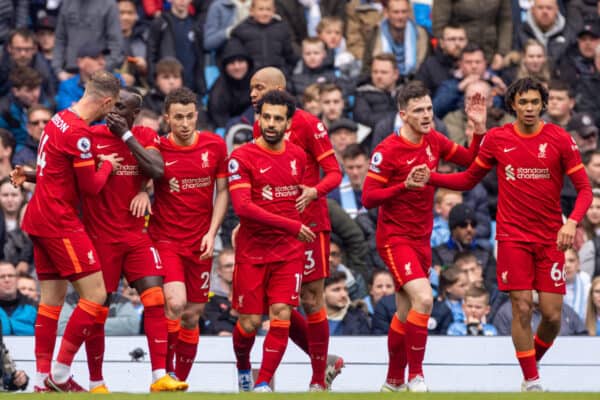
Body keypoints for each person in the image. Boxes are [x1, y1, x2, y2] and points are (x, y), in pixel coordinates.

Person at [412, 77, 593, 391]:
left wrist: (572, 222)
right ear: (513, 105)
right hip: (512, 237)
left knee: (551, 316)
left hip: (551, 237)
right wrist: (432, 177)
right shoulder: (498, 139)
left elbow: (585, 191)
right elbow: (469, 178)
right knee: (521, 306)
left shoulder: (559, 139)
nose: (529, 108)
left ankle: (530, 361)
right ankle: (531, 380)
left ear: (543, 105)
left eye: (535, 102)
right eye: (523, 102)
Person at [361, 80, 487, 392]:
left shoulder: (434, 140)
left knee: (405, 313)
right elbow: (368, 198)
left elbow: (471, 160)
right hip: (394, 238)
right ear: (403, 114)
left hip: (422, 238)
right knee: (424, 298)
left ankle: (392, 382)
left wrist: (479, 129)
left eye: (429, 108)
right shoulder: (387, 150)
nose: (427, 115)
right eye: (419, 110)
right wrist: (403, 186)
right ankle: (416, 377)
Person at [15, 71, 123, 392]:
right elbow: (90, 188)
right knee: (96, 295)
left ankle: (40, 380)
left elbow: (57, 172)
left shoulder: (59, 119)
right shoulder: (80, 134)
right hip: (58, 222)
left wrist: (92, 159)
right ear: (106, 101)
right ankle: (60, 373)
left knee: (51, 301)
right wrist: (107, 166)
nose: (111, 112)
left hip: (37, 216)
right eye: (112, 106)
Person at [82, 87, 187, 392]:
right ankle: (96, 381)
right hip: (102, 237)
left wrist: (128, 139)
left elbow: (157, 169)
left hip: (135, 235)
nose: (113, 112)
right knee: (99, 308)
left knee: (155, 298)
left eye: (121, 108)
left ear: (134, 114)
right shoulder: (91, 137)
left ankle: (159, 376)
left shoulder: (145, 135)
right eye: (111, 106)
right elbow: (69, 177)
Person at [248, 67, 344, 390]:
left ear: (278, 88)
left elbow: (334, 173)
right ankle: (321, 363)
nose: (252, 93)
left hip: (310, 224)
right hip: (274, 227)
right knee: (276, 301)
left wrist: (313, 191)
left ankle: (319, 380)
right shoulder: (259, 124)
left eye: (258, 87)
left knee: (311, 298)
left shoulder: (308, 124)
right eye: (251, 88)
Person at [228, 89, 313, 392]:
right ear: (259, 118)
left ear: (289, 123)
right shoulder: (241, 157)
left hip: (289, 253)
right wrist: (291, 225)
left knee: (282, 315)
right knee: (249, 323)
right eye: (267, 117)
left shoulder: (298, 156)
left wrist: (300, 213)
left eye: (278, 118)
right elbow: (243, 208)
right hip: (252, 251)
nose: (272, 124)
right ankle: (242, 367)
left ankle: (262, 382)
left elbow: (293, 197)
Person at [147, 87, 228, 383]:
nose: (184, 123)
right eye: (178, 117)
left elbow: (223, 192)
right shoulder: (157, 148)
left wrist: (212, 232)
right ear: (166, 118)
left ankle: (179, 379)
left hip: (201, 242)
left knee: (192, 314)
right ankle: (164, 373)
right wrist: (143, 193)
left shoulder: (215, 146)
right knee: (175, 303)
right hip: (166, 239)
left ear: (197, 116)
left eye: (189, 117)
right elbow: (141, 179)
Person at [432, 0, 512, 68]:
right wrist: (453, 51)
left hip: (491, 53)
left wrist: (501, 52)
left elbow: (505, 21)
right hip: (456, 56)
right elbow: (439, 26)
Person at [324, 271, 371, 335]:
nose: (344, 294)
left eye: (345, 289)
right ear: (322, 293)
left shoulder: (359, 318)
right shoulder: (310, 320)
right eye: (336, 290)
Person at [0, 261, 37, 335]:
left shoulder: (34, 306)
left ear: (17, 280)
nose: (7, 280)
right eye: (2, 277)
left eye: (10, 276)